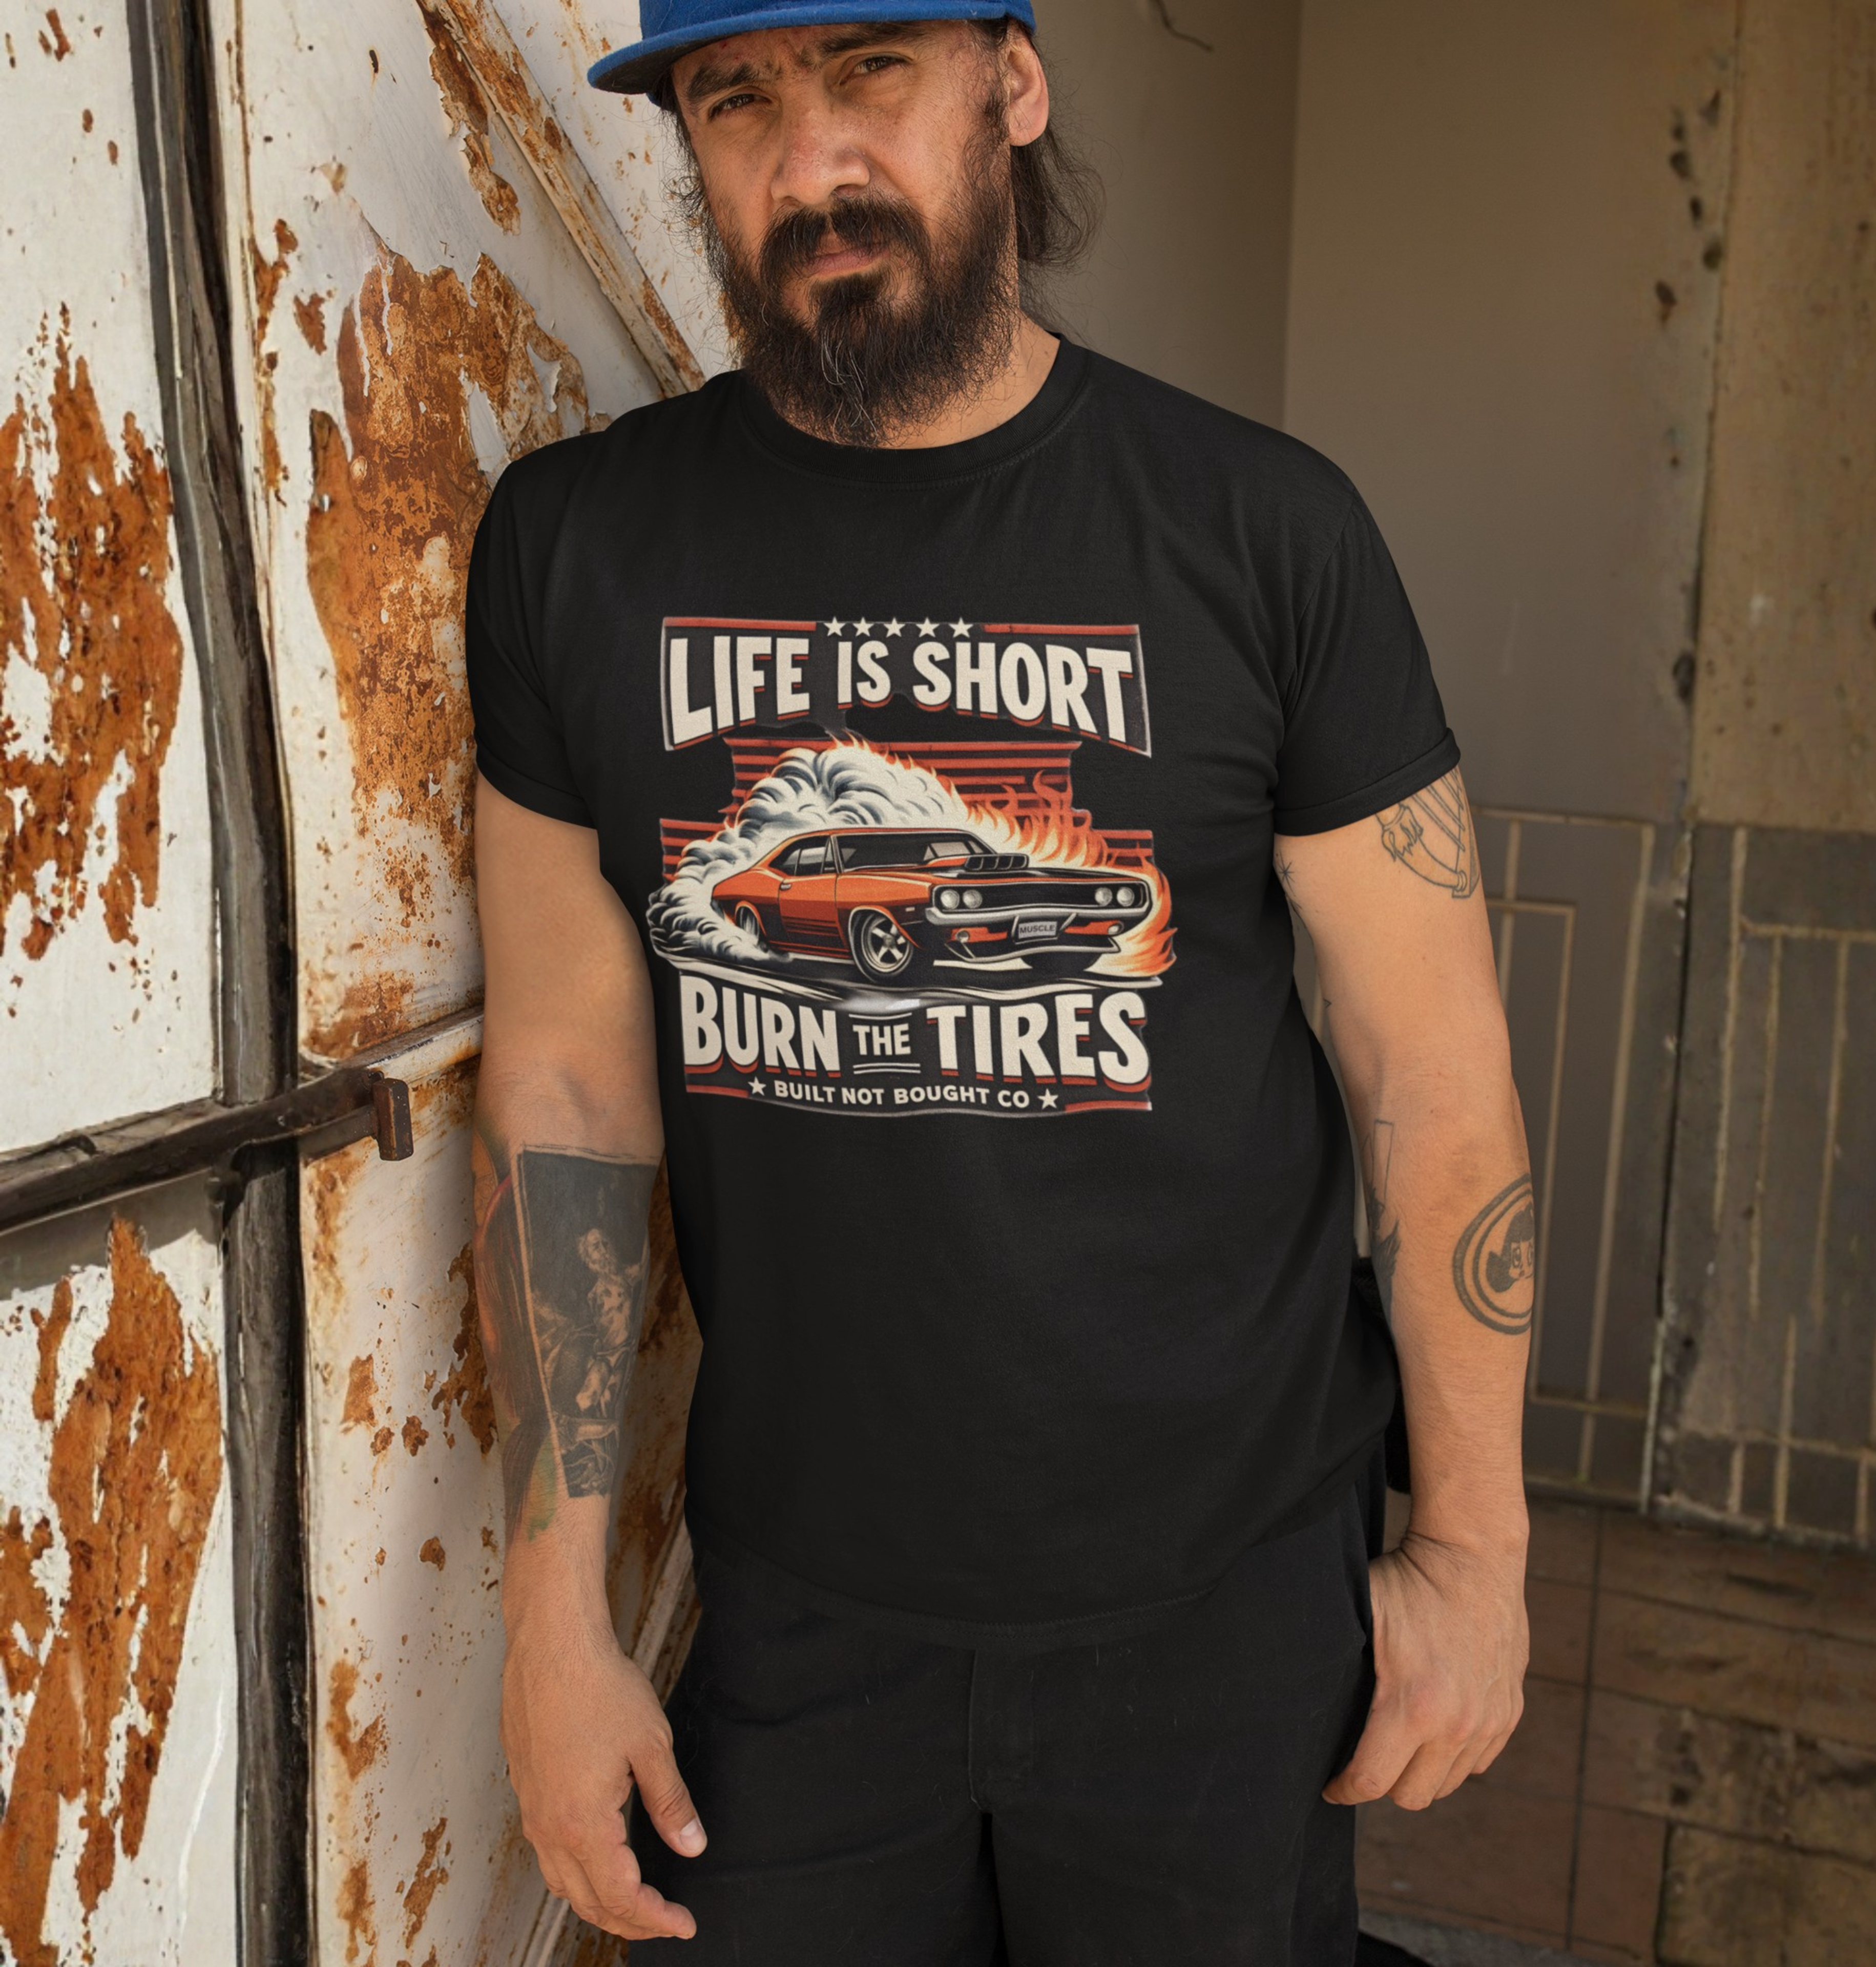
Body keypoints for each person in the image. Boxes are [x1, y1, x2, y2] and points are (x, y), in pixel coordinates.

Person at [464, 2, 1534, 1957]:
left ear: (1012, 88)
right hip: (793, 1625)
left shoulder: (1263, 533)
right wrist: (555, 1625)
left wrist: (1475, 1553)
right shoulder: (574, 547)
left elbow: (1432, 1072)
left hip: (1225, 1616)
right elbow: (561, 1097)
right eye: (738, 100)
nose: (811, 166)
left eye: (872, 71)